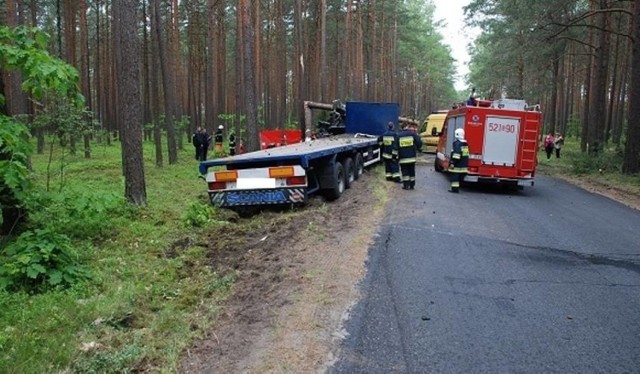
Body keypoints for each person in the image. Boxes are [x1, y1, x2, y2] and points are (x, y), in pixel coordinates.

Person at [397, 124, 423, 190]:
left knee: (405, 172)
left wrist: (395, 156)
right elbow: (419, 143)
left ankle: (406, 185)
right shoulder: (413, 134)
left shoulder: (399, 136)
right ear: (407, 127)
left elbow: (395, 147)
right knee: (412, 171)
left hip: (403, 158)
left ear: (401, 128)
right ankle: (412, 185)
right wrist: (418, 148)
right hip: (411, 158)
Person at [449, 128, 469, 193]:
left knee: (454, 178)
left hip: (457, 166)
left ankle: (454, 190)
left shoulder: (457, 144)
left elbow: (456, 155)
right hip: (463, 165)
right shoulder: (465, 144)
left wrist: (452, 163)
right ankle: (456, 189)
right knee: (458, 178)